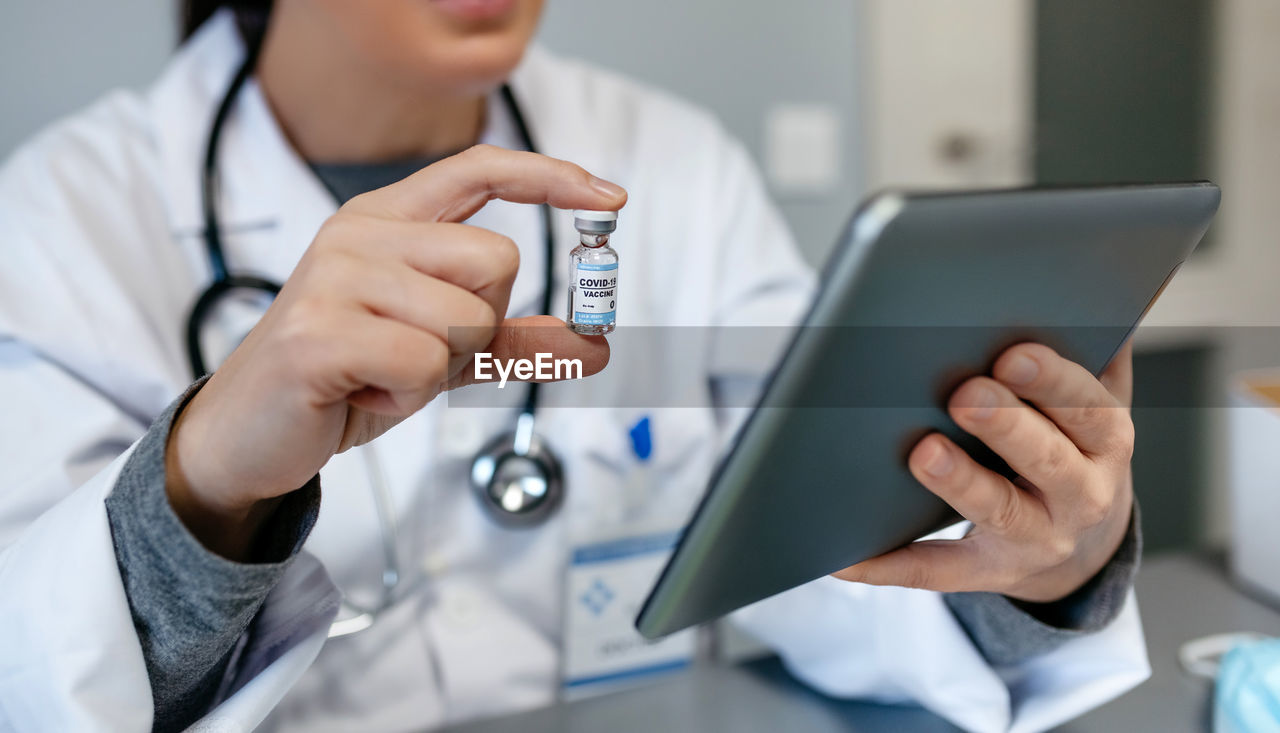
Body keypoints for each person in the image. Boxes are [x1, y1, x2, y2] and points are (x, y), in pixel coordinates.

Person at [0, 1, 1146, 731]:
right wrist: (202, 483)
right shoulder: (65, 211)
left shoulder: (674, 161)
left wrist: (1041, 566)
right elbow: (41, 675)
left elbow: (807, 548)